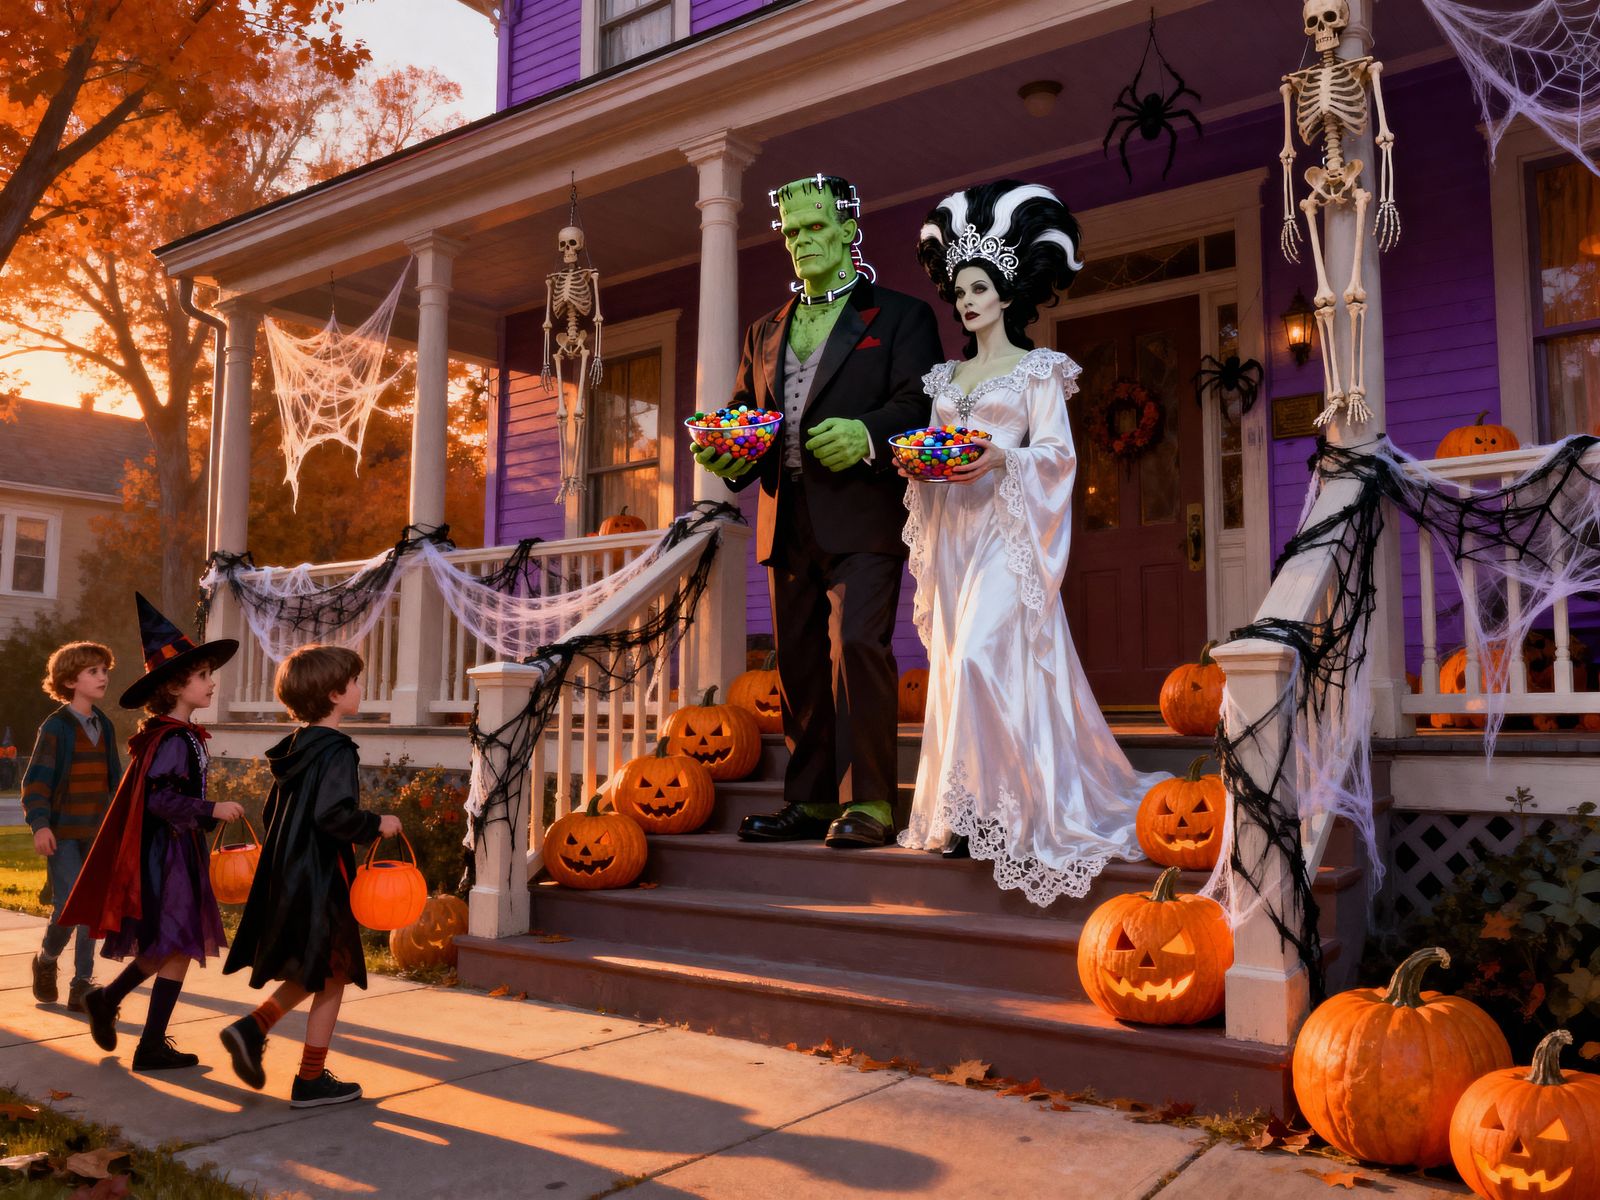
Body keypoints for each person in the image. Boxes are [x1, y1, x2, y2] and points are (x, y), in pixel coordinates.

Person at [897, 180, 1163, 904]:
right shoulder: (945, 377)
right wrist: (918, 462)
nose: (968, 299)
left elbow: (1057, 457)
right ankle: (961, 813)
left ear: (1007, 293)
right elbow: (936, 444)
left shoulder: (1039, 369)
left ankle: (1018, 810)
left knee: (985, 655)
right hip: (955, 531)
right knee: (955, 665)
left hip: (1010, 532)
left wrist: (1002, 456)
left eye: (980, 286)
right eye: (960, 289)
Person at [694, 173, 941, 849]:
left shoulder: (898, 316)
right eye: (793, 232)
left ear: (845, 232)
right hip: (785, 515)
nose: (803, 242)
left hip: (862, 515)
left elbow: (920, 406)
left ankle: (872, 804)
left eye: (816, 229)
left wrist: (866, 433)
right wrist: (729, 451)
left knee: (857, 647)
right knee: (798, 662)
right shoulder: (764, 331)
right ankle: (806, 801)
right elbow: (749, 413)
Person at [62, 594, 243, 1070]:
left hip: (179, 850)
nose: (211, 682)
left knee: (177, 945)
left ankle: (134, 1029)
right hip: (166, 855)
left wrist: (204, 814)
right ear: (176, 686)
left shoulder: (178, 734)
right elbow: (158, 800)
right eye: (202, 676)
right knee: (176, 943)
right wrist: (211, 807)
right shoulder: (173, 738)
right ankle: (137, 1032)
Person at [220, 644, 402, 1108]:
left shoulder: (296, 748)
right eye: (356, 682)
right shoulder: (337, 750)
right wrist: (375, 823)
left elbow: (274, 811)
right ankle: (309, 1078)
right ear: (335, 693)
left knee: (319, 968)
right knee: (332, 974)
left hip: (289, 870)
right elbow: (332, 815)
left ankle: (253, 1028)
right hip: (322, 877)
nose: (361, 688)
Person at [24, 642, 123, 1012]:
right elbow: (36, 783)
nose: (103, 677)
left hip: (97, 834)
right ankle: (46, 960)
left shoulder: (105, 725)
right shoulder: (56, 727)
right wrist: (40, 825)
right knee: (68, 906)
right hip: (63, 833)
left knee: (91, 909)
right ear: (69, 680)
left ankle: (82, 983)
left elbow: (114, 782)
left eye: (104, 670)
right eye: (93, 672)